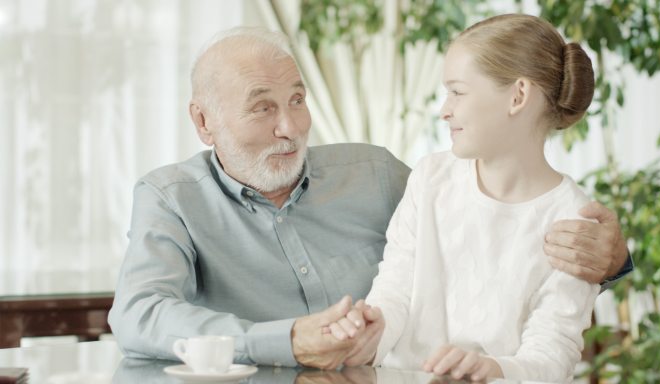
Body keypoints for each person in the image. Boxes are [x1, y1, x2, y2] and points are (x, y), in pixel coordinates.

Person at [107, 26, 632, 370]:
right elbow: (139, 313)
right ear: (204, 122)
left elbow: (489, 228)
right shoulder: (170, 199)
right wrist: (283, 340)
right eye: (262, 109)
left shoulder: (381, 174)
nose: (290, 128)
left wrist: (612, 261)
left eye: (297, 100)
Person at [326, 14, 619, 382]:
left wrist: (494, 369)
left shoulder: (574, 222)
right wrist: (373, 329)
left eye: (458, 91)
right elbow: (394, 291)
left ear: (518, 96)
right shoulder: (431, 178)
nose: (444, 109)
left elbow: (551, 355)